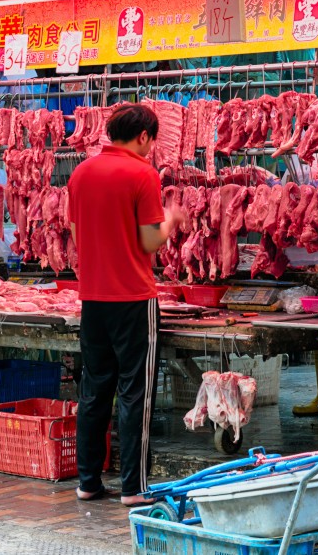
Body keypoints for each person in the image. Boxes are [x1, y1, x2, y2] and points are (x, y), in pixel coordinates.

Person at [68, 104, 184, 504]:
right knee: (137, 392)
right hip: (133, 298)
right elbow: (149, 241)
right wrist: (171, 219)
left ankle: (88, 482)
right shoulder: (142, 173)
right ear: (144, 137)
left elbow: (74, 229)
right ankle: (134, 488)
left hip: (93, 298)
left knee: (94, 390)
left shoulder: (82, 172)